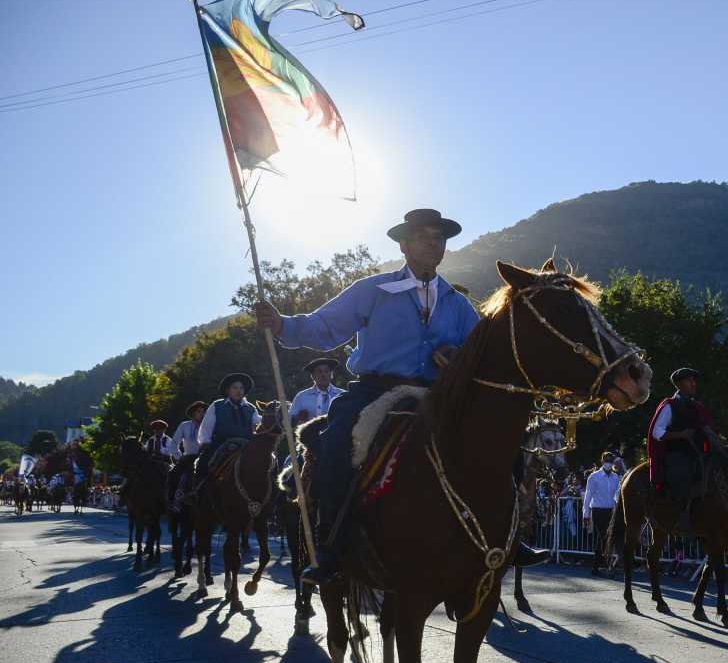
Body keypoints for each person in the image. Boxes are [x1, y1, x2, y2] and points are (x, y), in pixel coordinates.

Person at [255, 209, 546, 585]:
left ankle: (507, 537)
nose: (433, 243)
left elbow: (482, 359)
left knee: (499, 439)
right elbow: (325, 327)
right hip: (376, 388)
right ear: (404, 245)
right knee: (336, 442)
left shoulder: (458, 305)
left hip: (435, 394)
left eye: (439, 238)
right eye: (423, 236)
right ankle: (332, 546)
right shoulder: (373, 290)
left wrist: (457, 360)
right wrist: (282, 325)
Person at [647, 367, 718, 514]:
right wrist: (681, 434)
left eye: (694, 381)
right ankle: (680, 515)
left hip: (697, 454)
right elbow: (657, 432)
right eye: (689, 381)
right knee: (681, 475)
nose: (693, 384)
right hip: (676, 454)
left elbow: (706, 427)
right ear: (679, 384)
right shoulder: (669, 405)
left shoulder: (697, 407)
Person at [194, 373, 262, 488]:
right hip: (221, 443)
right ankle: (198, 491)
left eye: (241, 388)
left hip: (246, 445)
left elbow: (260, 424)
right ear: (228, 390)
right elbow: (206, 427)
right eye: (235, 387)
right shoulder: (217, 405)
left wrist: (276, 416)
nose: (238, 391)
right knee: (203, 463)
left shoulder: (250, 408)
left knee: (268, 463)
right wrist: (205, 442)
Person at [583, 452, 621, 575]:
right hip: (598, 510)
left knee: (606, 538)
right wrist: (586, 514)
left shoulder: (615, 477)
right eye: (606, 460)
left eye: (610, 460)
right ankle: (606, 565)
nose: (608, 462)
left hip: (610, 511)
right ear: (602, 461)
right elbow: (588, 495)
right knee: (604, 536)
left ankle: (598, 565)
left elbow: (617, 494)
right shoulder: (594, 476)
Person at [167, 401, 206, 506]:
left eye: (203, 412)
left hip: (205, 457)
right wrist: (180, 457)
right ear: (193, 413)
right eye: (199, 412)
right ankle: (171, 502)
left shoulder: (208, 426)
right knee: (172, 475)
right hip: (188, 458)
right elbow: (174, 443)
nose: (202, 414)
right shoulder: (184, 425)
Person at [290, 357, 345, 425]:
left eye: (326, 371)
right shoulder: (301, 397)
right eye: (319, 372)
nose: (323, 375)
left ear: (331, 374)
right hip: (310, 435)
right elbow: (288, 420)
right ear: (313, 376)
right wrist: (297, 419)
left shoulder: (342, 395)